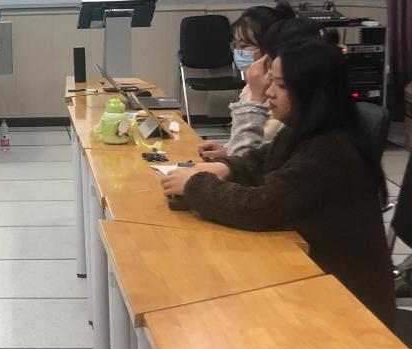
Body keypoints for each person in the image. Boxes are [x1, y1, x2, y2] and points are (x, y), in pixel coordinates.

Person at [160, 36, 395, 327]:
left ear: (313, 92)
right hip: (313, 278)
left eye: (281, 85)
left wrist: (195, 184)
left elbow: (258, 207)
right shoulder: (305, 131)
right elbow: (260, 160)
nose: (269, 92)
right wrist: (225, 167)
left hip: (347, 305)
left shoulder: (328, 152)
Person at [197, 3, 297, 161]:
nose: (238, 51)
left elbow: (248, 160)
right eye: (235, 45)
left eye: (244, 45)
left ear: (271, 49)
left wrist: (256, 100)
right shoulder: (250, 87)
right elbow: (249, 148)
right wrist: (227, 150)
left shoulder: (285, 95)